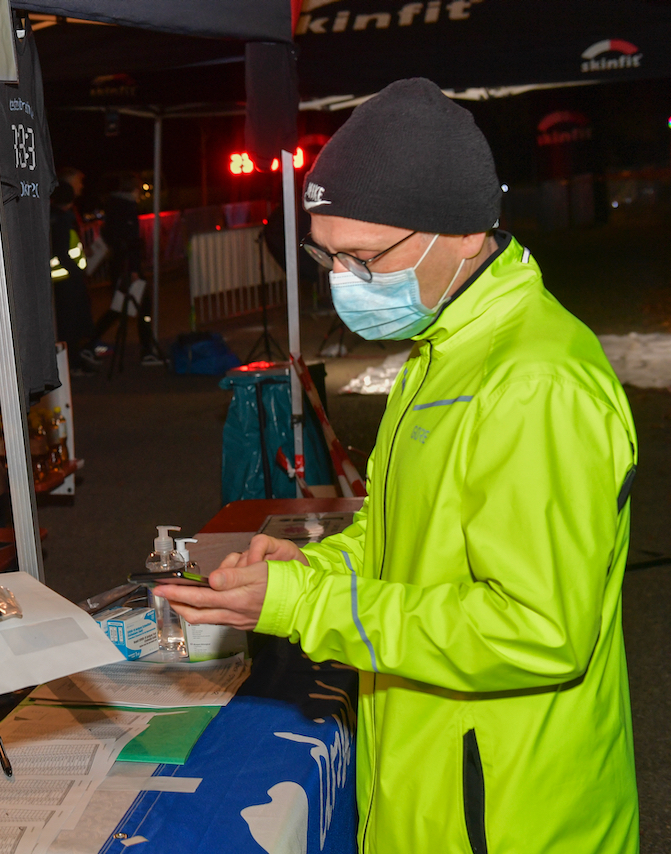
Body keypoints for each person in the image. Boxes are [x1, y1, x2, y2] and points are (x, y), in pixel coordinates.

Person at [159, 78, 638, 853]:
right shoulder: (444, 352)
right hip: (434, 773)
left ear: (463, 233)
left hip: (509, 811)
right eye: (327, 256)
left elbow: (539, 630)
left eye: (363, 256)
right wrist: (308, 572)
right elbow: (405, 539)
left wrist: (303, 610)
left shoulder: (533, 384)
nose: (344, 280)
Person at [87, 174, 161, 367]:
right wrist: (134, 268)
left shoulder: (113, 207)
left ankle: (88, 344)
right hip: (127, 266)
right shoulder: (126, 208)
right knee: (136, 306)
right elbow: (131, 242)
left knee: (120, 307)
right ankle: (146, 351)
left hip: (120, 264)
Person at [49, 179, 94, 376]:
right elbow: (63, 252)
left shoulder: (50, 217)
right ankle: (73, 365)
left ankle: (73, 362)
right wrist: (78, 272)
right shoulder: (62, 220)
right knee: (71, 327)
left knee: (66, 325)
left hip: (58, 281)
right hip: (69, 282)